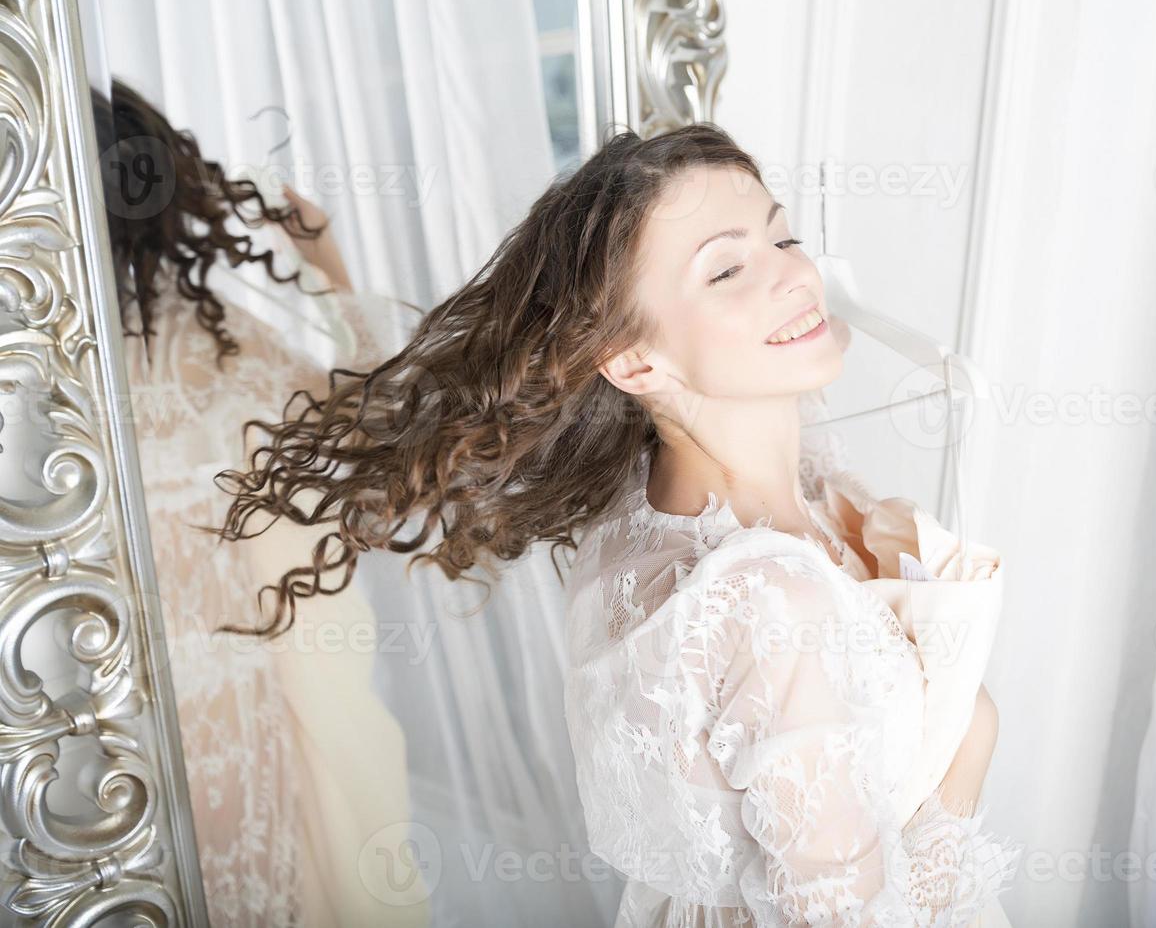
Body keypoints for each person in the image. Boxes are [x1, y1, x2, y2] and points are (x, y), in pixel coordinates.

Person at [211, 123, 1020, 925]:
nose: (795, 276)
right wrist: (966, 749)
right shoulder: (768, 599)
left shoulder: (686, 502)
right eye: (728, 268)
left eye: (785, 237)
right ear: (634, 362)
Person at [98, 79, 428, 927]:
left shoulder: (46, 356)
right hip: (226, 693)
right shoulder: (219, 343)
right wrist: (328, 267)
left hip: (86, 685)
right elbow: (371, 426)